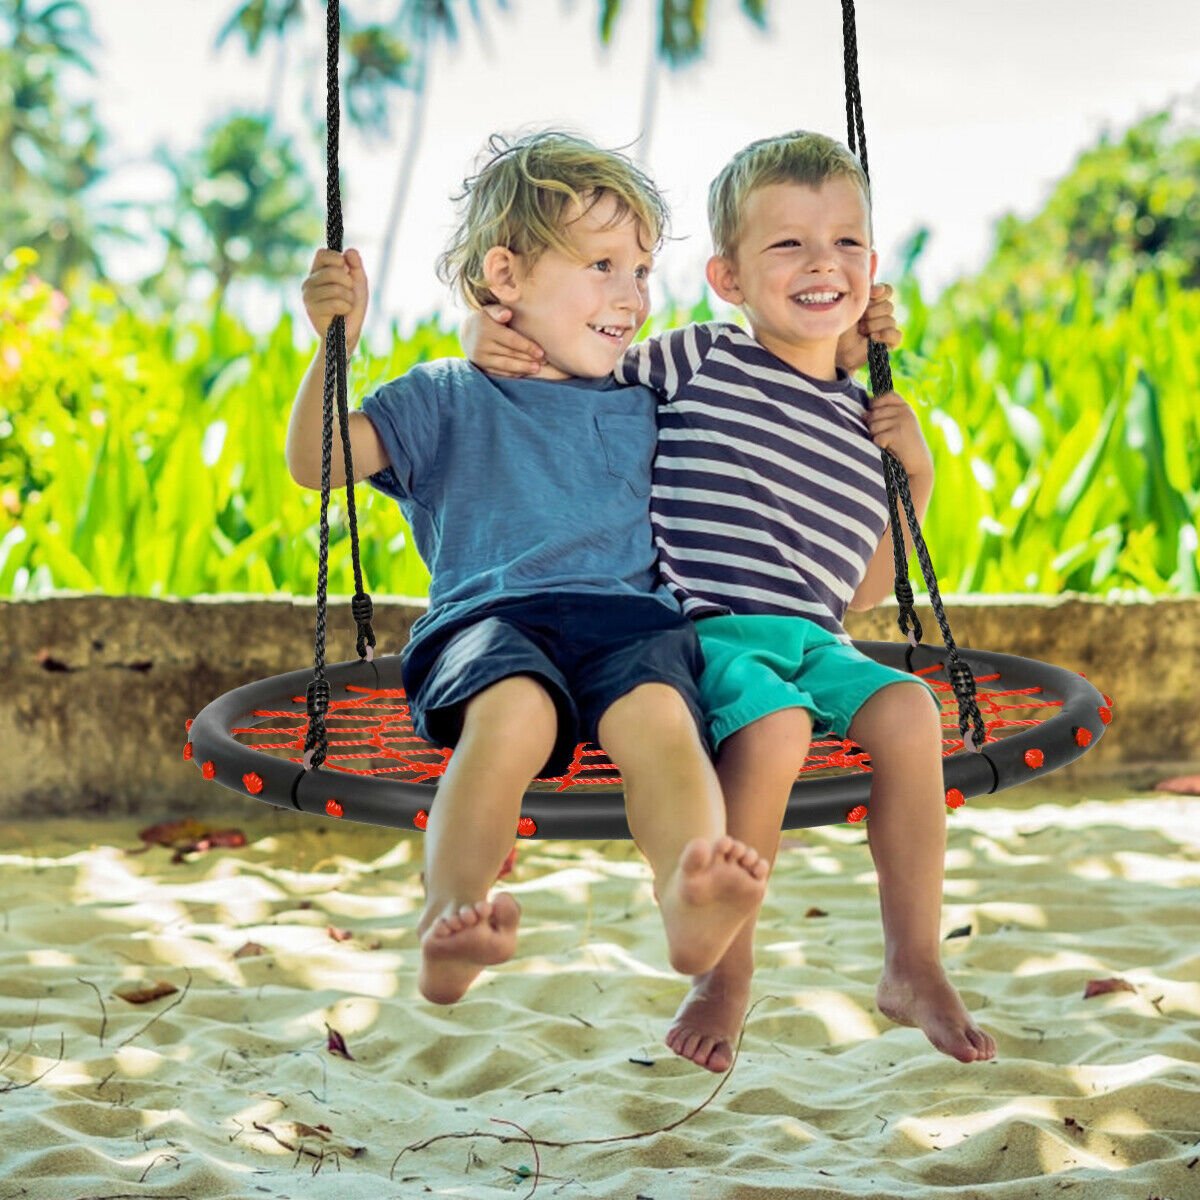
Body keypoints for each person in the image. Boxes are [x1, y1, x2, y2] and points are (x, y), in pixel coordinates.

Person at [463, 130, 998, 1067]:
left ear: (873, 271)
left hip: (814, 635)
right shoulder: (699, 359)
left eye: (845, 243)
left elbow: (865, 589)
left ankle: (913, 963)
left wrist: (915, 475)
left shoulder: (863, 415)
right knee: (780, 729)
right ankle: (728, 975)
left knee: (911, 710)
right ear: (728, 277)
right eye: (787, 244)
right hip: (705, 631)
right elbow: (571, 366)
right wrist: (489, 335)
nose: (821, 262)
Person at [285, 130, 772, 1008]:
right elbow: (319, 463)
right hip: (491, 625)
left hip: (628, 623)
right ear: (506, 278)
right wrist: (335, 342)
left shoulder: (646, 395)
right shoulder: (446, 393)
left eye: (641, 271)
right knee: (509, 717)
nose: (630, 296)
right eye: (602, 265)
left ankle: (688, 897)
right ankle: (451, 920)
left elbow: (771, 372)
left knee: (665, 719)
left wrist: (857, 344)